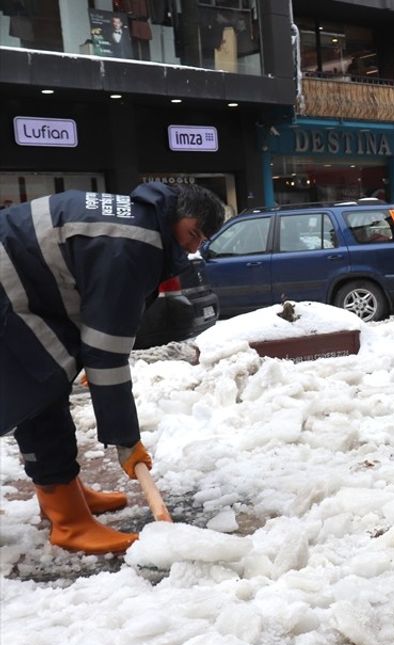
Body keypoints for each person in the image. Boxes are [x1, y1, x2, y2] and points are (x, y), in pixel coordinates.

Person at [0, 182, 226, 553]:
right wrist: (126, 440)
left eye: (202, 239)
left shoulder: (143, 222)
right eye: (192, 233)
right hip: (8, 293)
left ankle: (63, 492)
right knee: (41, 383)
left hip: (21, 288)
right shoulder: (135, 246)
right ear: (176, 216)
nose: (193, 247)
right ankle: (68, 521)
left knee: (48, 379)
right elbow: (107, 350)